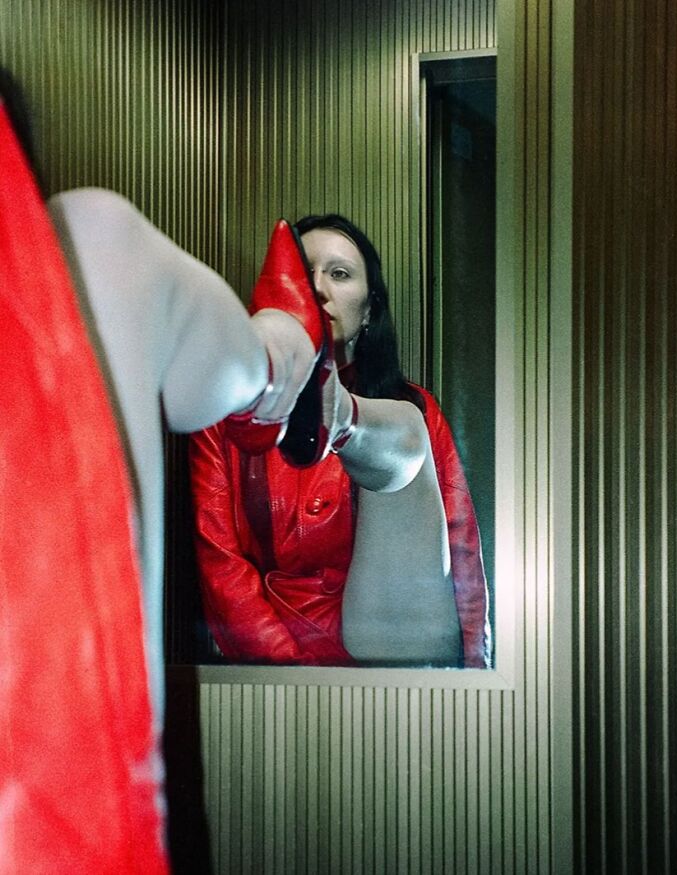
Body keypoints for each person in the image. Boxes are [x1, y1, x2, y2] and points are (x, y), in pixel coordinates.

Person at [0, 68, 321, 873]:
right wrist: (287, 339)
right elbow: (221, 546)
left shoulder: (412, 415)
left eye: (344, 274)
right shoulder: (88, 251)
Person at [190, 214, 491, 668]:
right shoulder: (223, 411)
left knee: (407, 424)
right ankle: (331, 407)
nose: (317, 288)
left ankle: (342, 415)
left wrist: (474, 674)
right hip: (278, 660)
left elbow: (459, 546)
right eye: (303, 273)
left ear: (368, 310)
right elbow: (220, 564)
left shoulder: (418, 408)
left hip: (391, 642)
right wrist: (296, 673)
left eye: (340, 273)